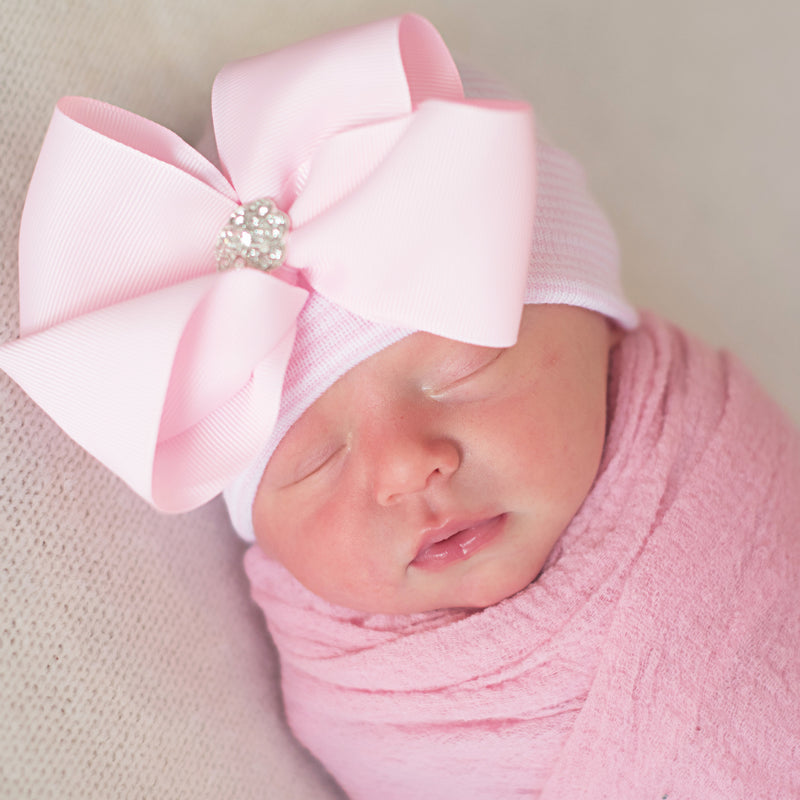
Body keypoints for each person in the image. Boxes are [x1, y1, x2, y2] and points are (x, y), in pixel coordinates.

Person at [1, 14, 798, 800]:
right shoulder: (366, 699)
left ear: (604, 336)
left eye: (465, 372)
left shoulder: (717, 460)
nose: (405, 467)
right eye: (316, 464)